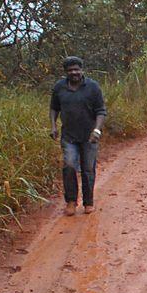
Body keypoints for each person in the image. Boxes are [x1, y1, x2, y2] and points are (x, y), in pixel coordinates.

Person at [50, 56, 106, 216]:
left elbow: (101, 111)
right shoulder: (59, 87)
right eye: (70, 70)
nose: (74, 72)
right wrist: (53, 126)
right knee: (69, 166)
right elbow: (54, 108)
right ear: (65, 72)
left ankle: (88, 202)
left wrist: (97, 130)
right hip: (69, 136)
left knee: (88, 169)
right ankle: (71, 201)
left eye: (76, 69)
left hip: (89, 136)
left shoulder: (93, 87)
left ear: (82, 70)